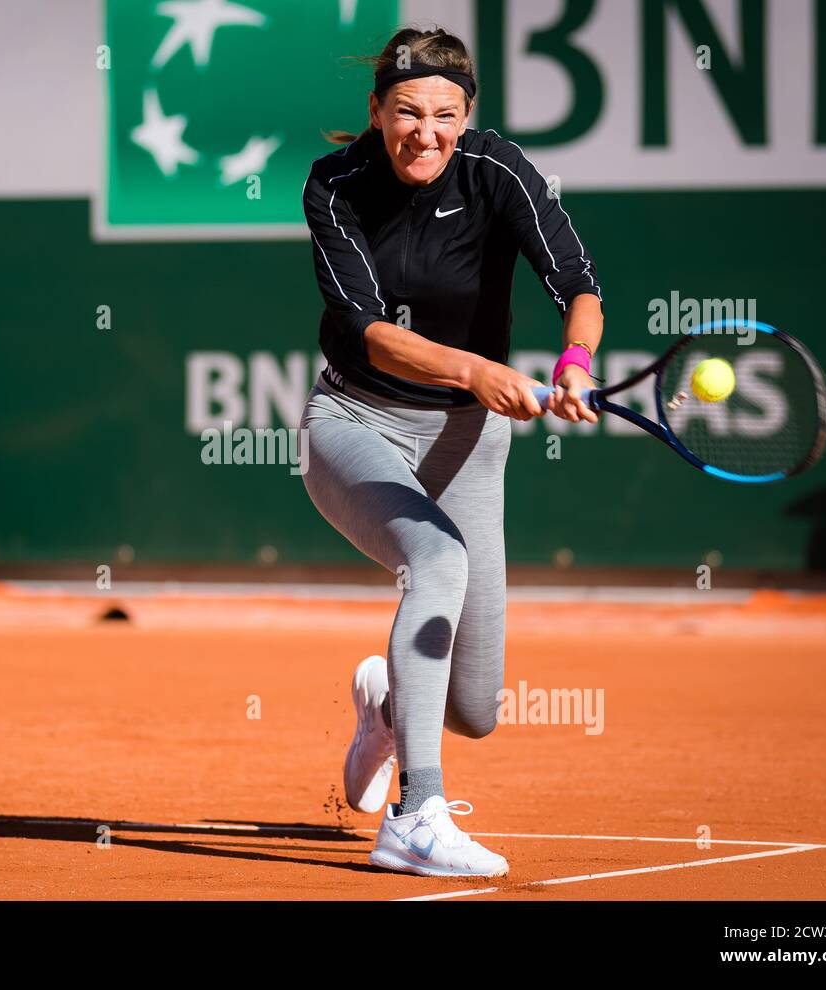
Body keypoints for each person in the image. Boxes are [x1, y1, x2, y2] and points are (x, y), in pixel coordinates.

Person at [299, 25, 603, 877]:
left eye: (443, 115)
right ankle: (415, 816)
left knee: (474, 707)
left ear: (466, 118)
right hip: (354, 426)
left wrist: (574, 363)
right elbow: (369, 334)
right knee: (434, 561)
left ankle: (385, 705)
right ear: (376, 111)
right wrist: (477, 369)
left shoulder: (498, 171)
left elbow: (578, 284)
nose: (423, 132)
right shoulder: (336, 184)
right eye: (405, 112)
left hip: (468, 444)